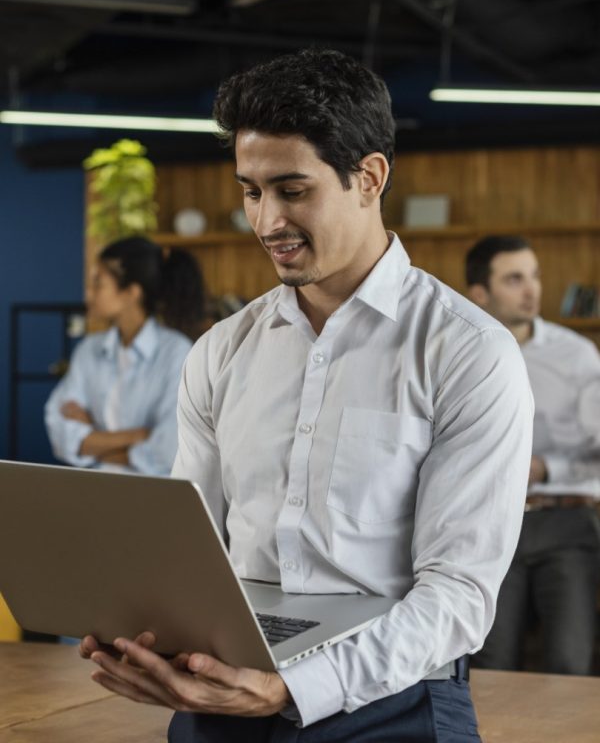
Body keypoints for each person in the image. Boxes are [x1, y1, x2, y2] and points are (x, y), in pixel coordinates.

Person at [80, 50, 533, 742]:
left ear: (369, 177)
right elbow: (190, 550)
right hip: (230, 688)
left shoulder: (469, 354)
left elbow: (459, 597)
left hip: (395, 702)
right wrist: (144, 637)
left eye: (292, 190)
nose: (266, 222)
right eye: (250, 191)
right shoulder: (222, 352)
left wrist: (290, 689)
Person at [465, 235, 600, 675]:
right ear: (480, 293)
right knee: (489, 662)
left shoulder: (578, 356)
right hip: (487, 522)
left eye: (535, 276)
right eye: (514, 279)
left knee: (569, 663)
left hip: (565, 521)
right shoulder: (460, 354)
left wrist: (545, 468)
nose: (532, 290)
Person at [45, 235, 205, 476]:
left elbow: (167, 450)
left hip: (154, 495)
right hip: (92, 489)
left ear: (131, 292)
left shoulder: (177, 353)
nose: (88, 294)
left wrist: (92, 438)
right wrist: (137, 435)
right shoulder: (89, 350)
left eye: (98, 284)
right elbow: (58, 429)